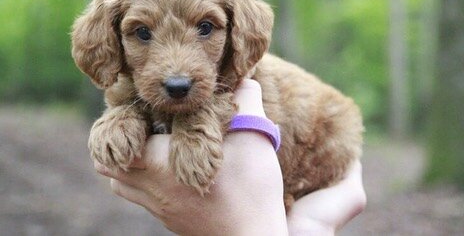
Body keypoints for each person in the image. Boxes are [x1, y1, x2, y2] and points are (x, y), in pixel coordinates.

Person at [95, 79, 366, 235]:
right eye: (143, 33)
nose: (175, 68)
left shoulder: (241, 80)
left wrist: (249, 223)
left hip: (320, 140)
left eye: (204, 28)